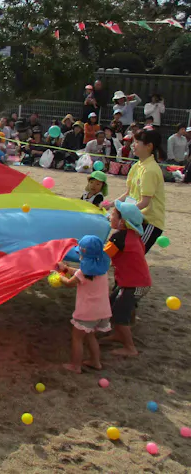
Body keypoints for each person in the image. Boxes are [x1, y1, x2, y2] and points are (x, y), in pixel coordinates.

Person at [56, 236, 112, 374]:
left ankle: (75, 365)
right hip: (102, 311)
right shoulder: (101, 269)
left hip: (88, 313)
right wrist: (66, 268)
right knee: (90, 335)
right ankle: (95, 362)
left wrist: (58, 275)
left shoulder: (83, 273)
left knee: (77, 338)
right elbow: (79, 273)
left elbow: (69, 283)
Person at [102, 202, 151, 357]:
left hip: (134, 284)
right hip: (136, 281)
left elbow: (104, 255)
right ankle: (118, 335)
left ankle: (130, 348)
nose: (110, 217)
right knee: (112, 303)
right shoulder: (133, 235)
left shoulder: (119, 238)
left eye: (114, 215)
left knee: (119, 313)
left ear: (122, 222)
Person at [104, 130, 166, 253]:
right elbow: (128, 194)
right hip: (133, 219)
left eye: (137, 142)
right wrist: (111, 204)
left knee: (133, 256)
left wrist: (121, 214)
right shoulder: (137, 166)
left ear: (149, 146)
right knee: (114, 246)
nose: (133, 145)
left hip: (148, 223)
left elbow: (145, 202)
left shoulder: (150, 170)